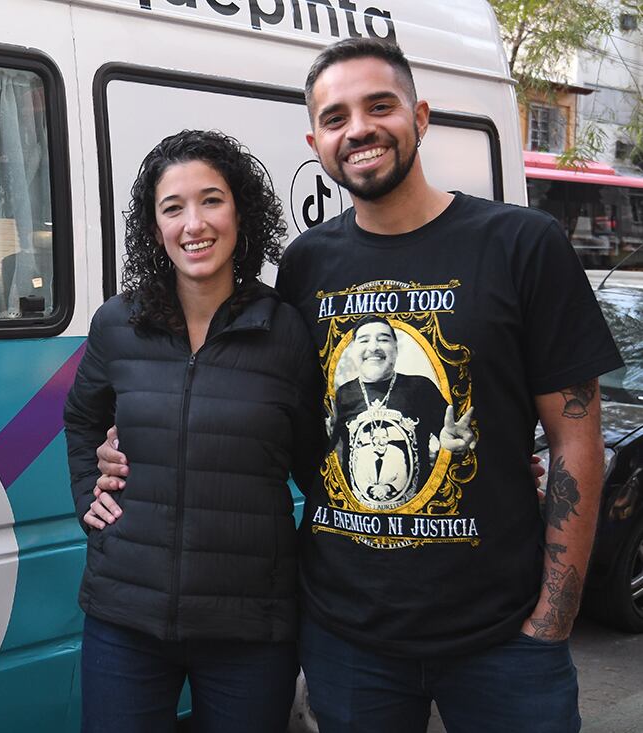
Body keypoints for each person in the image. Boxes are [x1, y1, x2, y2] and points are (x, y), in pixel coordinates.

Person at [94, 39, 622, 733]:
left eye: (380, 106)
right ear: (317, 141)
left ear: (420, 116)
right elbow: (277, 418)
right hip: (348, 637)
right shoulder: (310, 263)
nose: (360, 129)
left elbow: (577, 438)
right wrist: (130, 449)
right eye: (336, 117)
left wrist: (555, 614)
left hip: (500, 638)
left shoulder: (521, 243)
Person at [63, 129, 324, 733]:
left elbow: (321, 466)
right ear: (155, 230)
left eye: (211, 200)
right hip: (125, 616)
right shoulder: (117, 324)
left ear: (241, 212)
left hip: (250, 627)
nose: (193, 224)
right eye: (172, 208)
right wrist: (87, 495)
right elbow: (81, 417)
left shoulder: (287, 332)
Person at [330, 314, 474, 510]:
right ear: (354, 350)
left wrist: (452, 443)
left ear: (395, 349)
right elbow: (331, 449)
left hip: (416, 512)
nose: (373, 347)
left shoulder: (420, 387)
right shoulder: (343, 393)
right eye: (364, 340)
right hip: (359, 515)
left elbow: (452, 436)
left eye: (383, 339)